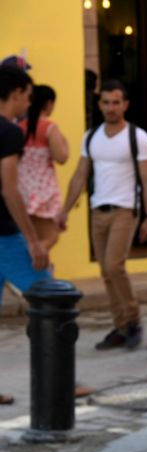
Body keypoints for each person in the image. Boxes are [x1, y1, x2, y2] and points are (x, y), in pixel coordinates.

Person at [58, 80, 147, 351]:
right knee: (105, 271)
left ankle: (133, 321)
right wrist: (64, 210)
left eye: (116, 102)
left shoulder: (138, 137)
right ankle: (121, 326)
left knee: (114, 265)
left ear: (125, 105)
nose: (111, 108)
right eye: (106, 102)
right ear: (99, 105)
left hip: (125, 209)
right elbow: (80, 175)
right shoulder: (91, 137)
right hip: (97, 210)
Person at [0, 66, 49, 404]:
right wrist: (32, 238)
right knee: (52, 299)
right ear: (16, 93)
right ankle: (61, 379)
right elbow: (9, 190)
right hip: (4, 235)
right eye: (28, 97)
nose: (29, 104)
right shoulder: (9, 133)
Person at [18, 85, 69, 254]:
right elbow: (61, 157)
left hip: (22, 188)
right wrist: (65, 143)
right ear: (49, 104)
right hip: (43, 191)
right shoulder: (49, 127)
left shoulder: (19, 127)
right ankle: (29, 261)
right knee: (51, 236)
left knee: (28, 236)